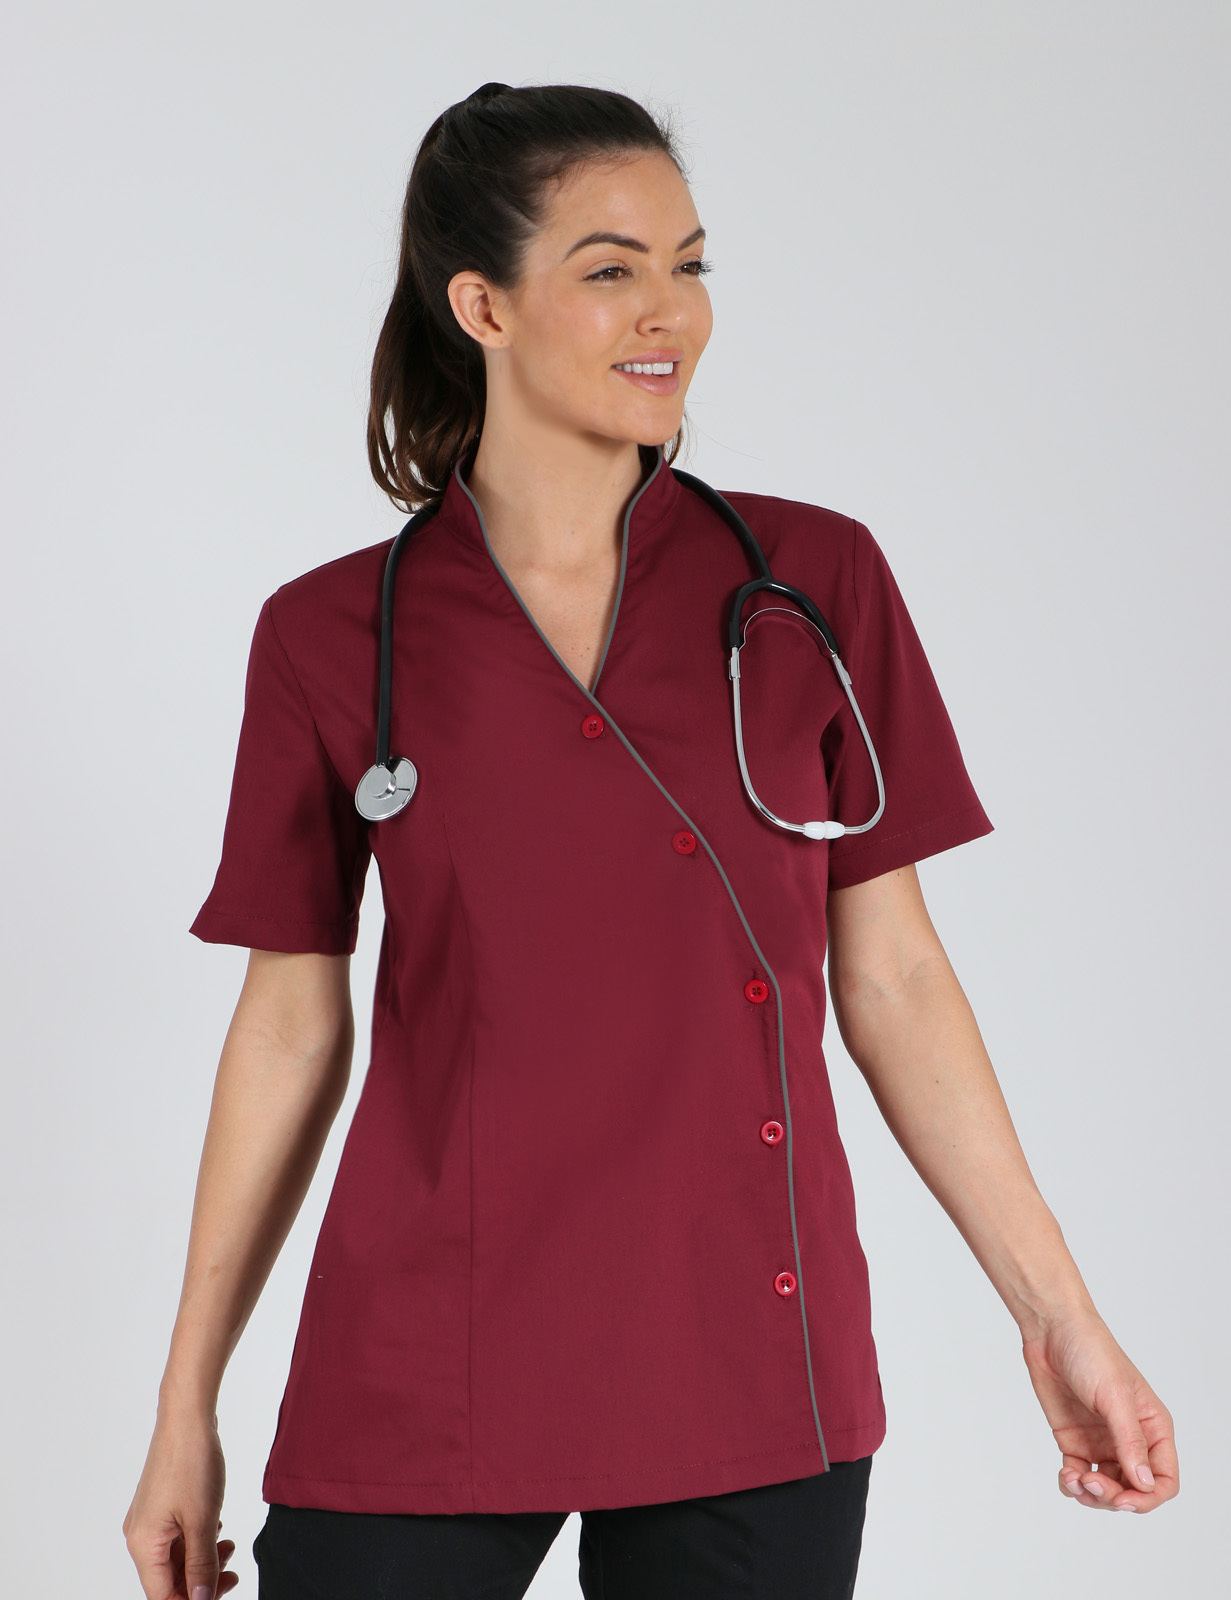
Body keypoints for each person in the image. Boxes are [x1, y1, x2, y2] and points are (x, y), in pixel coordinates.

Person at [122, 81, 1178, 1600]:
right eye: (611, 268)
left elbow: (894, 981)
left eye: (689, 265)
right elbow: (290, 1025)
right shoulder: (331, 634)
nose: (668, 312)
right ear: (481, 305)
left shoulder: (814, 582)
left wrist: (1058, 1318)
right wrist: (186, 1404)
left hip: (744, 1341)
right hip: (430, 1340)